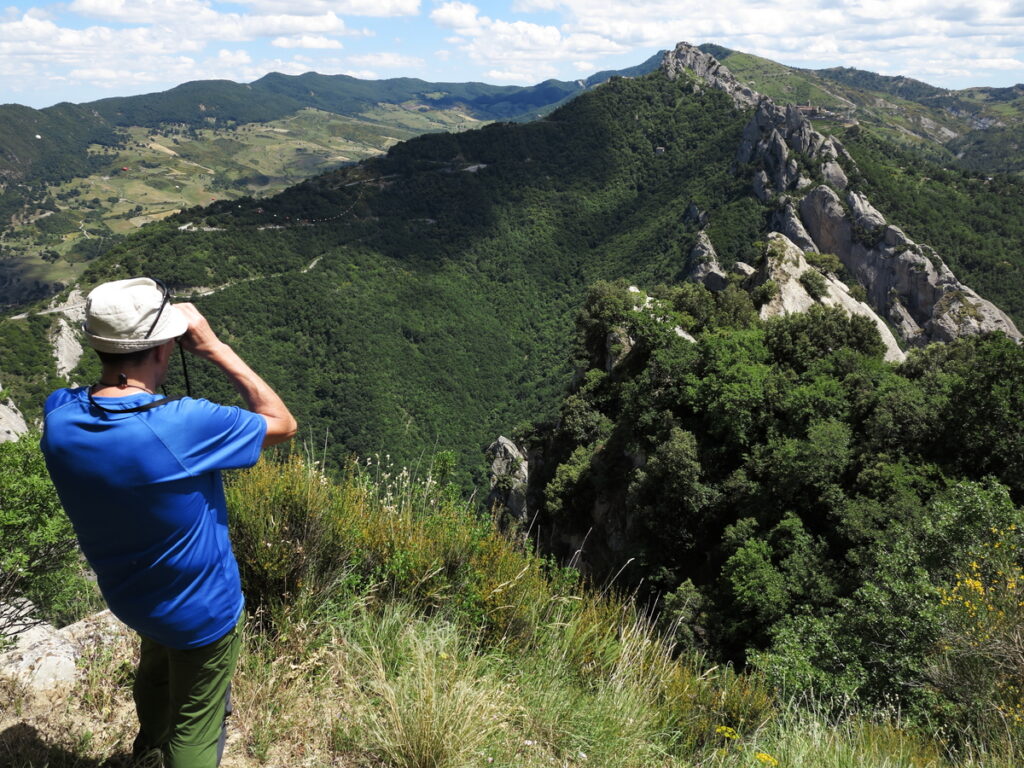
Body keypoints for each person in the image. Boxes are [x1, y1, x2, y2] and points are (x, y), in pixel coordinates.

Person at [40, 277, 297, 767]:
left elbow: (90, 401)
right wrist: (215, 348)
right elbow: (282, 423)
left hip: (131, 596)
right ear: (165, 346)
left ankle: (147, 750)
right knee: (198, 726)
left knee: (155, 670)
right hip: (202, 608)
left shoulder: (60, 415)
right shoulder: (182, 424)